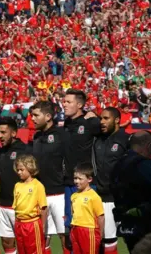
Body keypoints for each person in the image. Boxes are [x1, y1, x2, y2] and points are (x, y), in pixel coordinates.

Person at [111, 131, 151, 252]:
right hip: (149, 224)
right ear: (148, 145)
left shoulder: (118, 164)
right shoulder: (145, 164)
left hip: (127, 224)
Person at [29, 100, 69, 254]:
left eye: (36, 115)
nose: (32, 118)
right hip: (40, 194)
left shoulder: (62, 135)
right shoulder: (37, 136)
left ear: (48, 116)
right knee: (43, 237)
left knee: (64, 235)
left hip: (60, 193)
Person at [62, 89, 100, 239]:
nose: (64, 104)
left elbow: (106, 129)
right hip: (68, 182)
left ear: (79, 105)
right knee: (70, 229)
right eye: (64, 101)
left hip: (87, 183)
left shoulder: (90, 122)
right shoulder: (66, 123)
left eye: (68, 102)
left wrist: (95, 117)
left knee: (89, 227)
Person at [93, 107, 129, 254]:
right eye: (101, 118)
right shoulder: (98, 140)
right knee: (102, 239)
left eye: (106, 118)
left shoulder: (126, 140)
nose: (102, 122)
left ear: (117, 120)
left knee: (127, 239)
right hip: (101, 196)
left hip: (121, 198)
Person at [0, 117, 27, 254]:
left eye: (3, 132)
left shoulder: (25, 150)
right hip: (3, 203)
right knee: (6, 242)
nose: (0, 136)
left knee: (24, 242)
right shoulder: (1, 151)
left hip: (21, 204)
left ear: (14, 133)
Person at [13, 154, 48, 254]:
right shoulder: (17, 185)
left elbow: (44, 208)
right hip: (19, 224)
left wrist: (43, 226)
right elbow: (16, 207)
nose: (19, 172)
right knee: (22, 250)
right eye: (18, 170)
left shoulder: (38, 185)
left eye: (21, 169)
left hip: (32, 224)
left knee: (34, 251)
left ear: (30, 168)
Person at [70, 166, 105, 254]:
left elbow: (101, 217)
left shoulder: (94, 196)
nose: (77, 181)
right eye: (75, 178)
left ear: (89, 179)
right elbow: (73, 213)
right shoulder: (74, 195)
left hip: (89, 231)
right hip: (76, 229)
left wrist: (100, 235)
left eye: (80, 179)